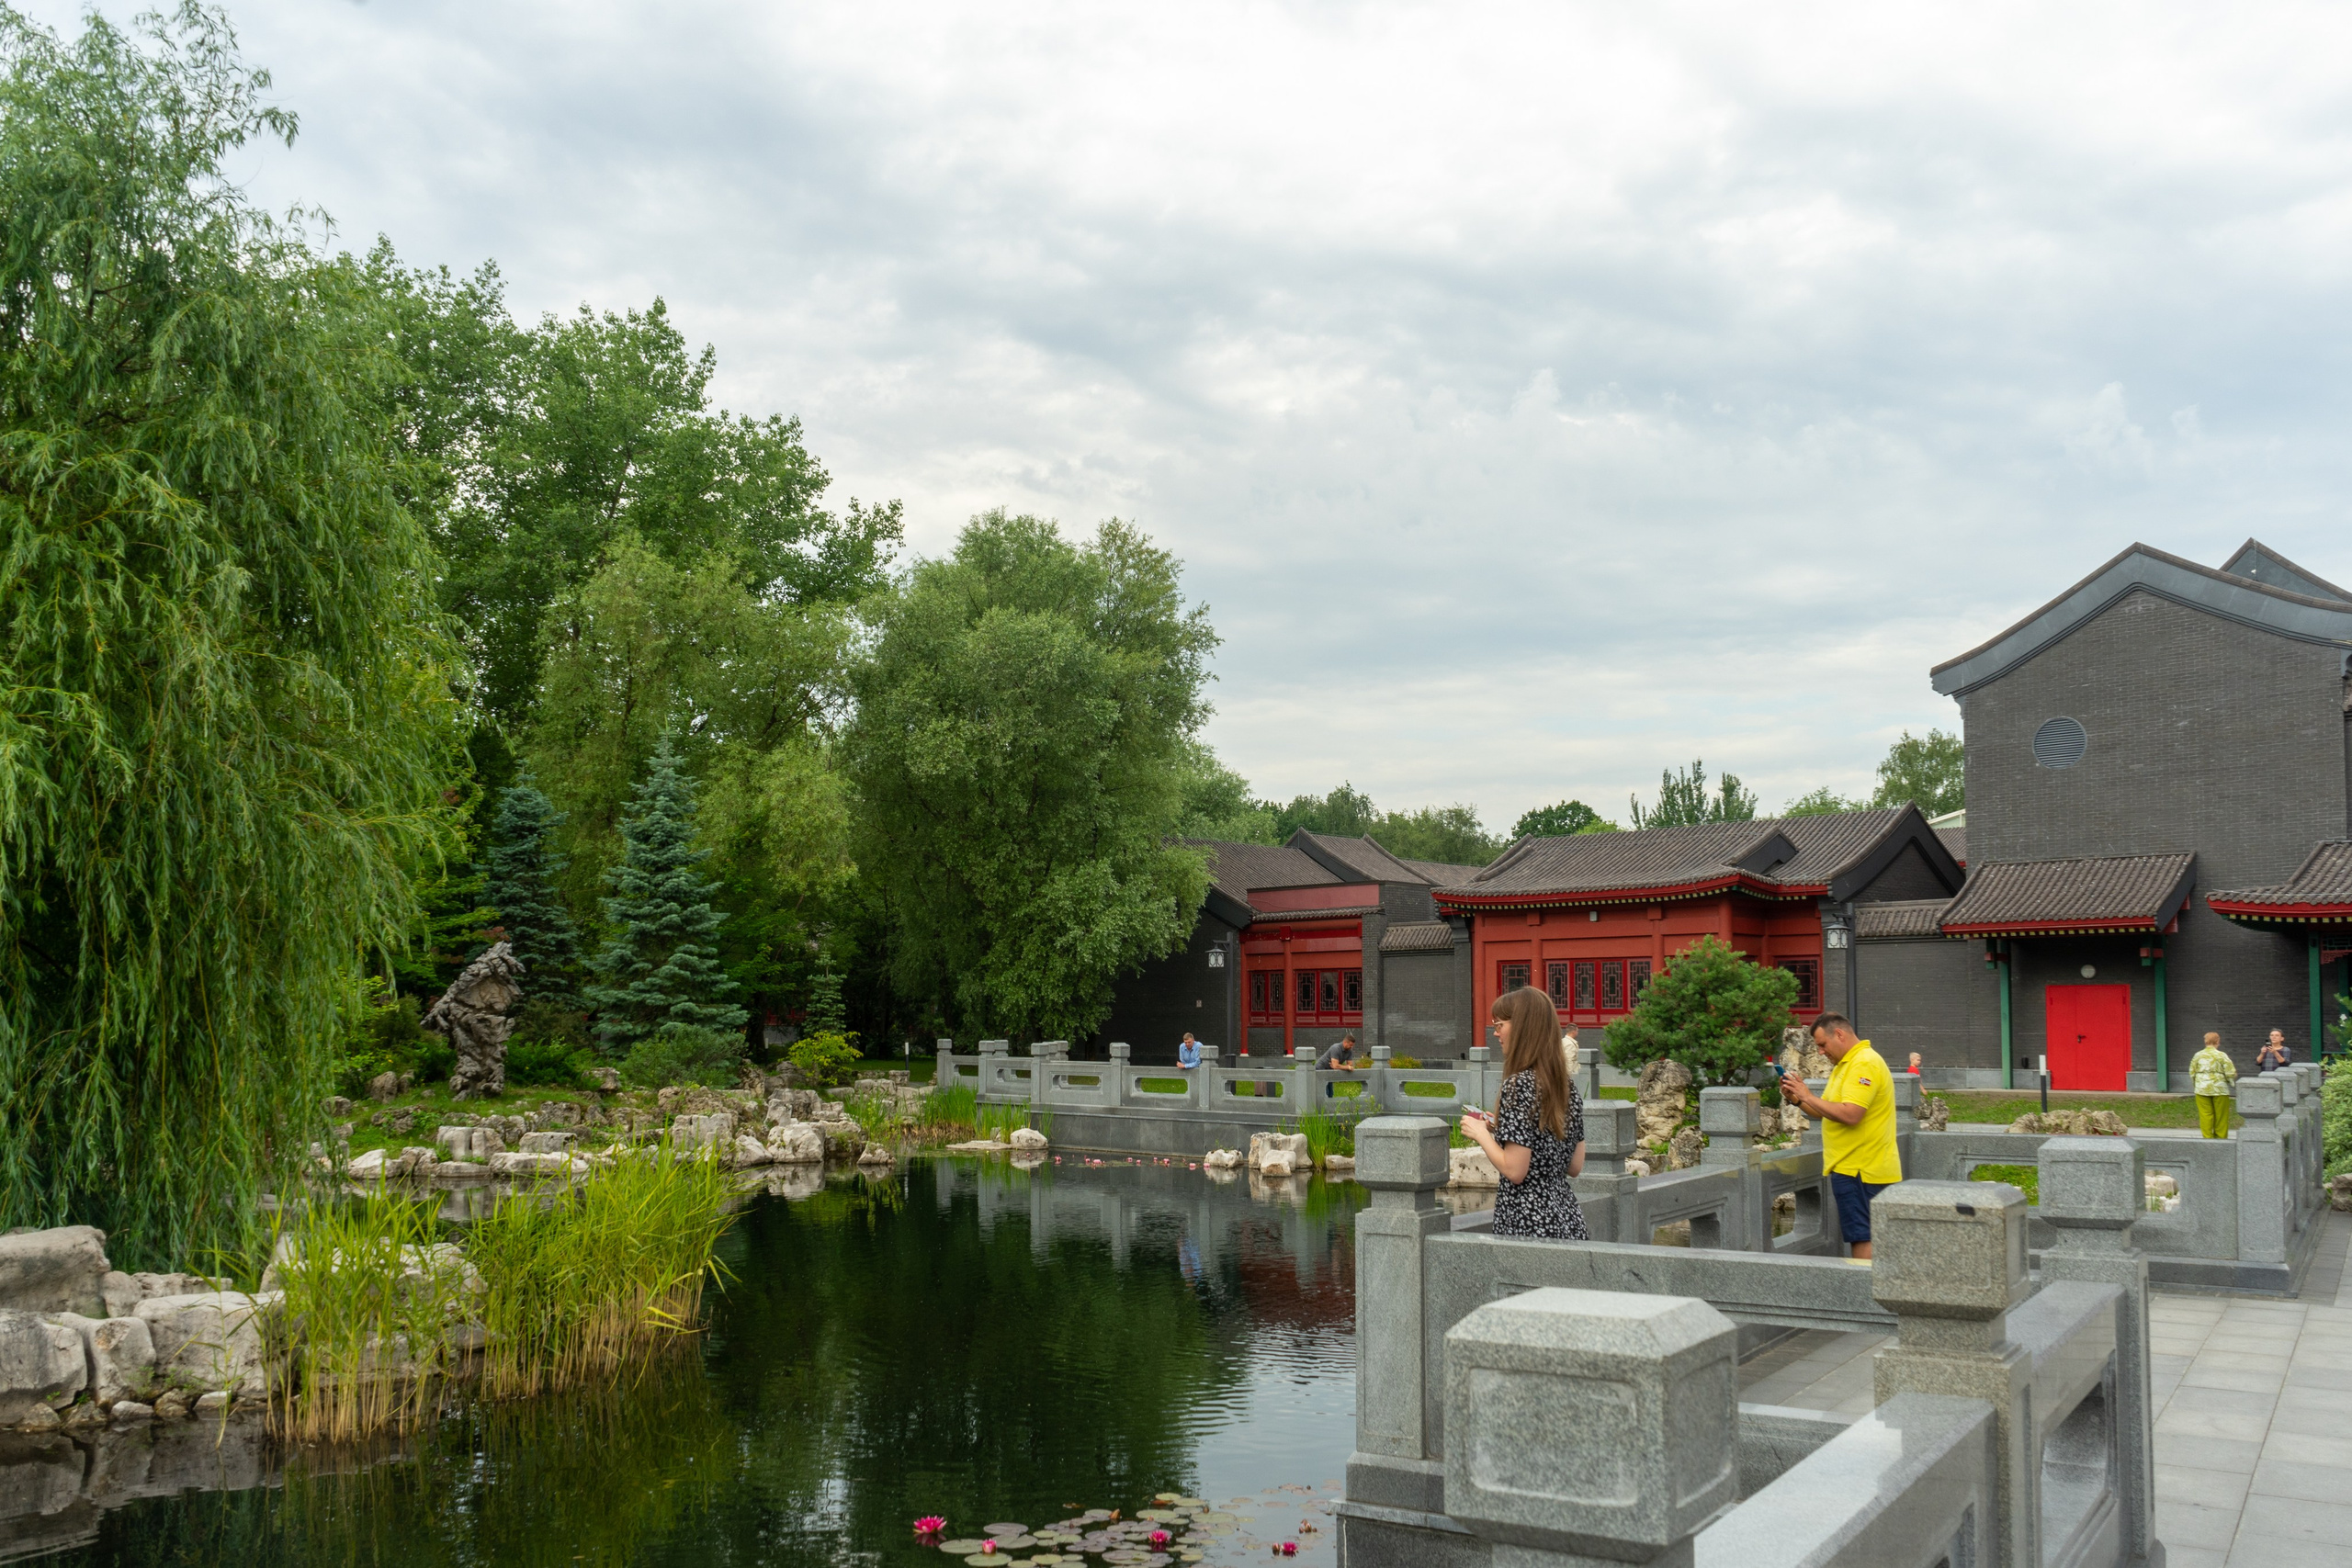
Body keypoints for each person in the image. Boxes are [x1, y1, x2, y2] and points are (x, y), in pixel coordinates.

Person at [1459, 987, 1589, 1240]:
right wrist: (1500, 1128)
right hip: (1567, 1217)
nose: (1495, 1033)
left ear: (1522, 1027)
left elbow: (1515, 1171)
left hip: (1527, 1222)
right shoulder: (1566, 1085)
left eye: (1499, 1025)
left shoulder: (1518, 1085)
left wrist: (1481, 1135)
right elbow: (1575, 1166)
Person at [1778, 1012, 1900, 1260]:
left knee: (1863, 1237)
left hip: (1862, 1169)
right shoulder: (1846, 1065)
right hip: (1854, 1168)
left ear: (1840, 1034)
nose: (1821, 1052)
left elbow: (1851, 1114)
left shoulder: (1863, 1063)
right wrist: (1798, 1098)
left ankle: (1862, 1297)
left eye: (1823, 1045)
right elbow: (1828, 1112)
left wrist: (1809, 1095)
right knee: (1863, 1235)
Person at [2191, 1032, 2237, 1138]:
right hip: (2220, 1089)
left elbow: (2192, 1072)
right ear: (2217, 1041)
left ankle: (2207, 1138)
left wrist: (2197, 1084)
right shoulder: (2221, 1055)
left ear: (2205, 1041)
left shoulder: (2198, 1055)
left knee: (2205, 1115)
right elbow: (2230, 1072)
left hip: (2201, 1088)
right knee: (2221, 1116)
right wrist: (2230, 1081)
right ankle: (2221, 1139)